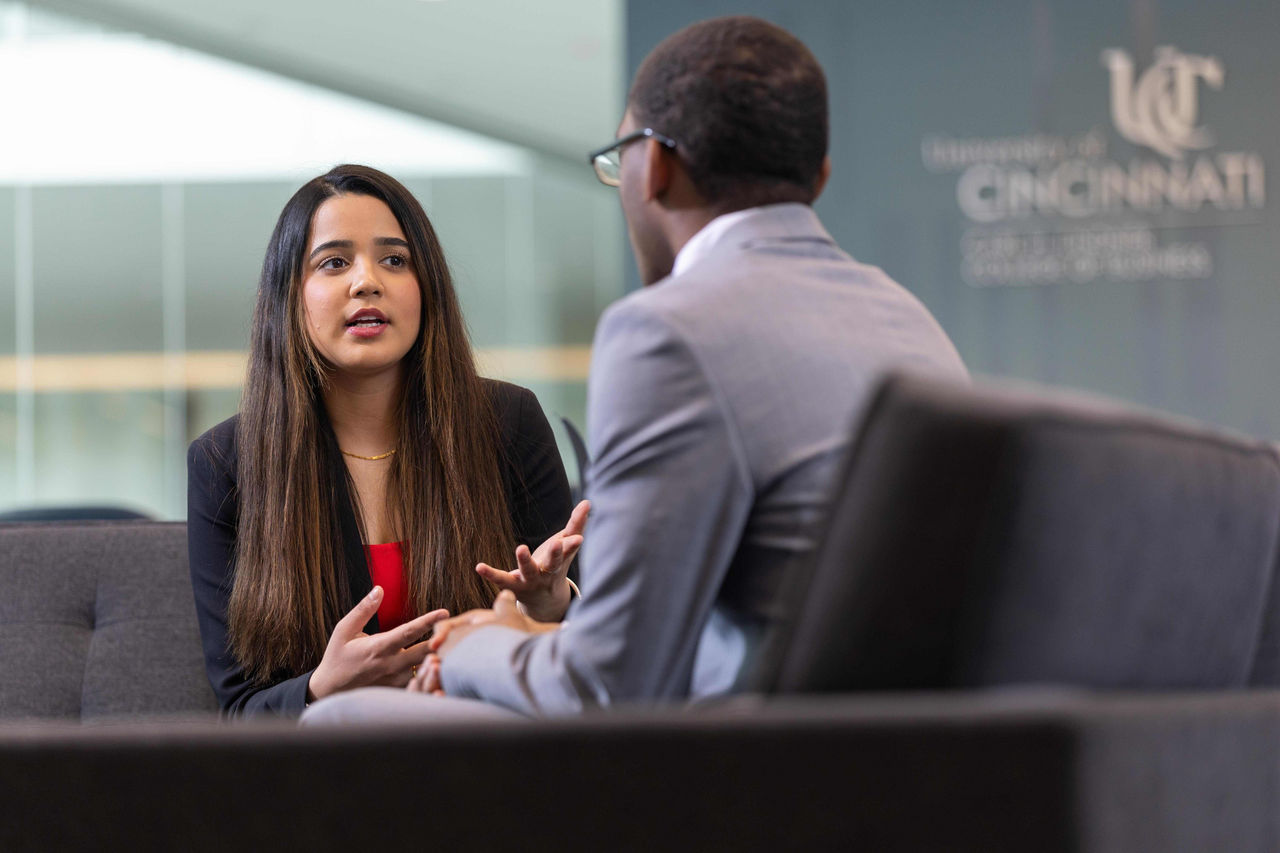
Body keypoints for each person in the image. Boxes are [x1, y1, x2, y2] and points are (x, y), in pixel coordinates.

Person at [305, 17, 968, 721]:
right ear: (818, 177)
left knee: (336, 720)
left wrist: (473, 643)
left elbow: (606, 683)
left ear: (655, 167)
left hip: (747, 772)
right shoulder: (910, 320)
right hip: (904, 760)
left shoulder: (667, 331)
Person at [187, 164, 583, 717]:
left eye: (395, 260)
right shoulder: (224, 462)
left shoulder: (507, 421)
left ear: (427, 288)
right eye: (333, 262)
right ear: (289, 296)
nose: (367, 281)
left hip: (488, 742)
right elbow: (238, 709)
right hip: (325, 770)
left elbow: (589, 660)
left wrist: (550, 604)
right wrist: (321, 687)